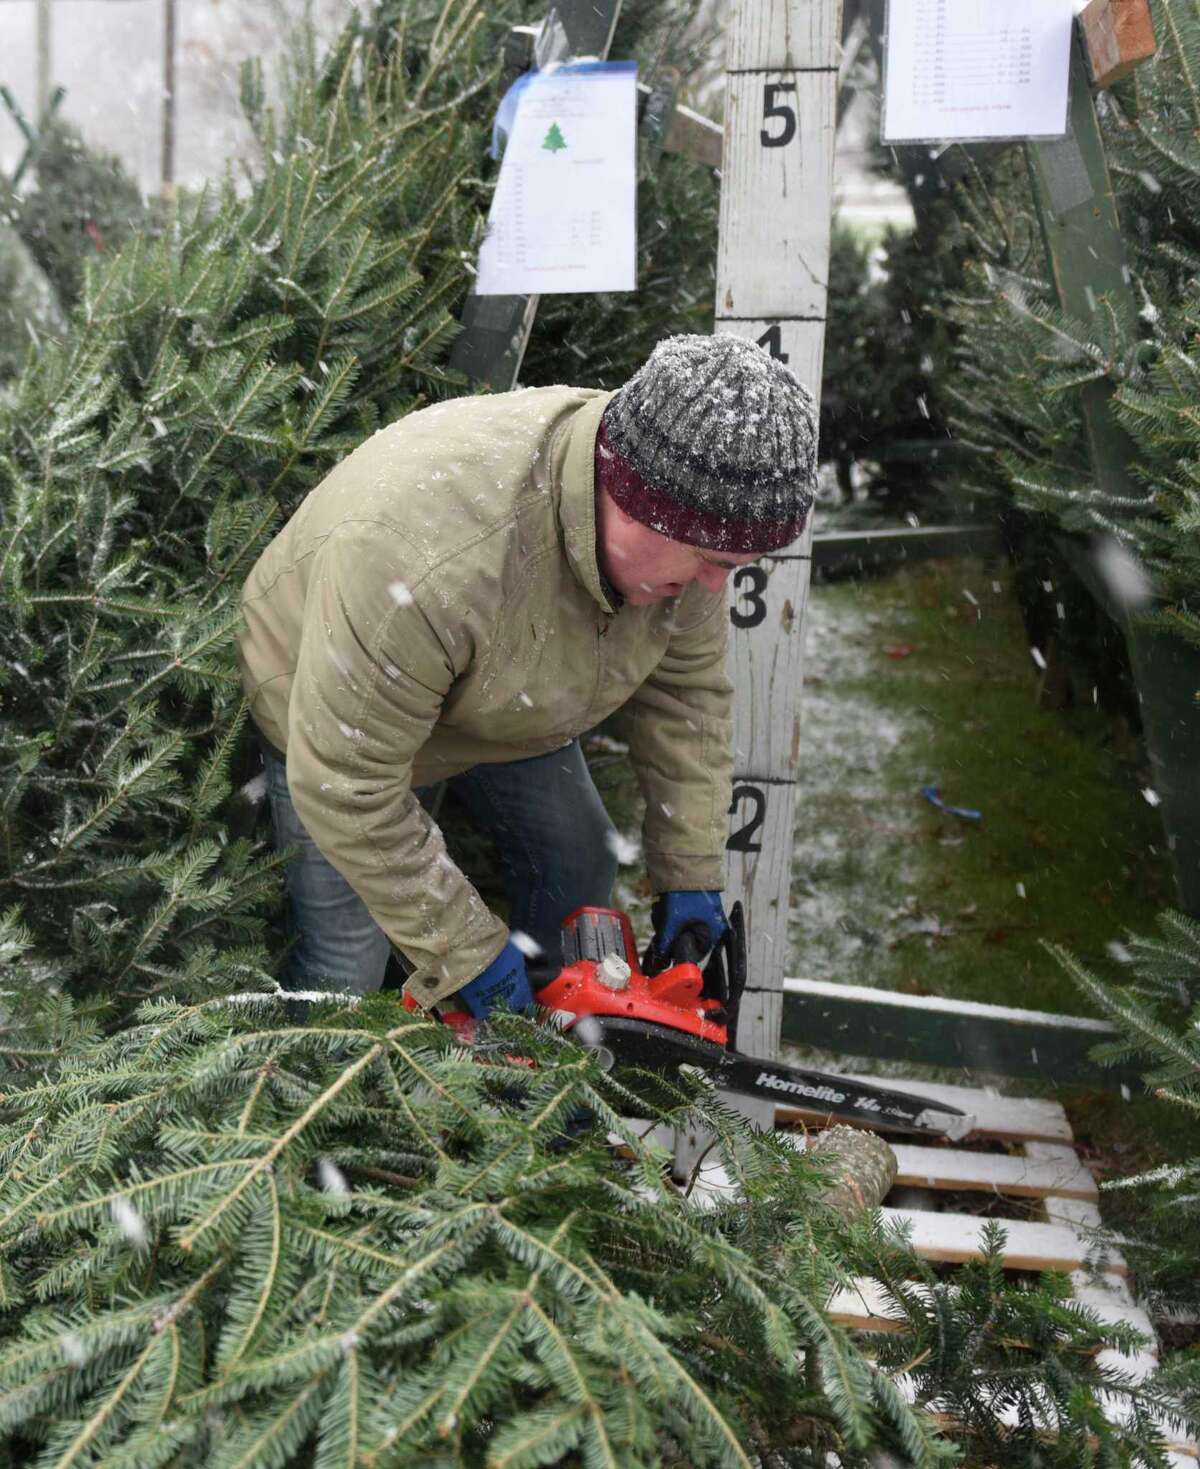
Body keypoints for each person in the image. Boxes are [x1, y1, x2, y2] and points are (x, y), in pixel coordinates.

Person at [236, 334, 817, 1019]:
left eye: (737, 564)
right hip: (332, 714)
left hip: (496, 691)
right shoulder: (428, 560)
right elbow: (347, 783)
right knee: (347, 963)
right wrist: (467, 952)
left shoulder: (685, 521)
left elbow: (685, 700)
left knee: (579, 856)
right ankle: (321, 1112)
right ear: (632, 500)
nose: (717, 584)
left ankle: (536, 1060)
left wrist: (690, 873)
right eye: (706, 558)